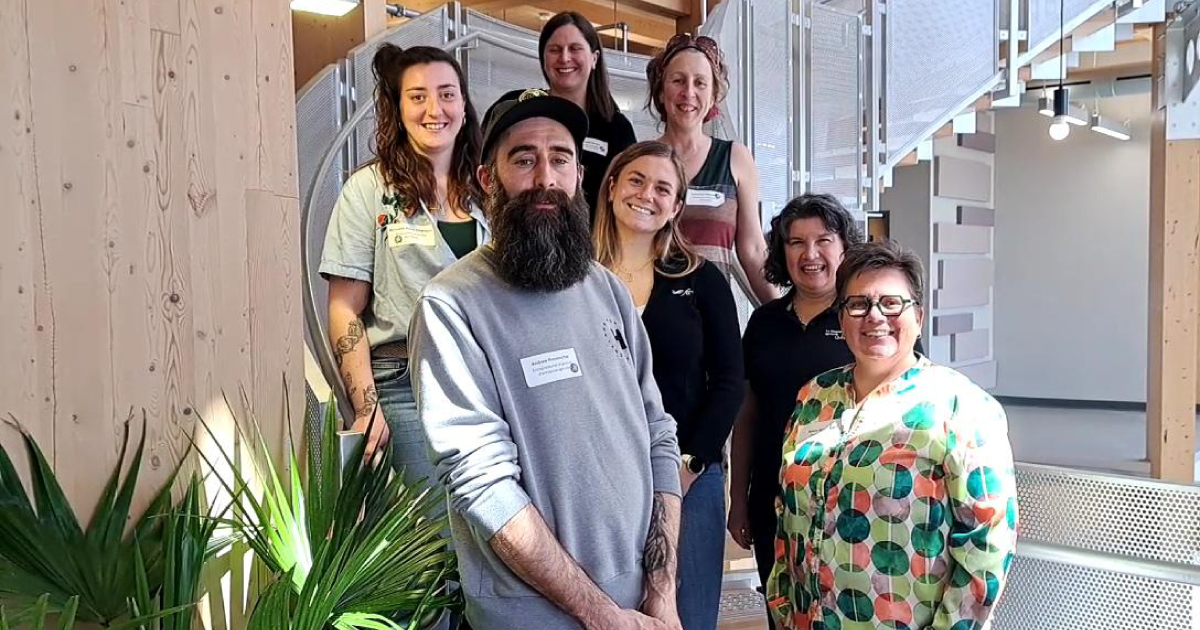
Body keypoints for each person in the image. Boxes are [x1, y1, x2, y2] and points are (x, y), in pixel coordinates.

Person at [409, 90, 683, 630]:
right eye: (524, 159)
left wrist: (661, 592)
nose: (544, 178)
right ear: (488, 180)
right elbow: (483, 483)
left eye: (559, 158)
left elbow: (658, 435)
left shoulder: (606, 290)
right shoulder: (451, 305)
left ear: (578, 175)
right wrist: (601, 615)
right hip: (533, 616)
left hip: (638, 608)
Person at [765, 240, 1018, 630]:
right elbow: (787, 513)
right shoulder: (814, 396)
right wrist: (782, 605)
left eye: (891, 303)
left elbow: (987, 543)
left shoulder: (961, 407)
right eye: (859, 304)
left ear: (918, 315)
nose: (875, 317)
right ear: (842, 316)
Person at [319, 44, 488, 483]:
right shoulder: (369, 189)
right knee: (434, 537)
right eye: (418, 96)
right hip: (404, 383)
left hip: (487, 384)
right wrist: (366, 407)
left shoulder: (489, 195)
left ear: (465, 108)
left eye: (447, 94)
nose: (435, 108)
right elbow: (344, 308)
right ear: (398, 109)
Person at [593, 141, 743, 630]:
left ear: (676, 206)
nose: (647, 195)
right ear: (612, 186)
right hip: (597, 479)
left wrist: (689, 464)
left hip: (688, 477)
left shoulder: (702, 281)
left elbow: (728, 383)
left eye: (663, 188)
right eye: (636, 180)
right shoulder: (573, 280)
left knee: (686, 617)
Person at [726, 194, 863, 616]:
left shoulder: (866, 318)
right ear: (781, 251)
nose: (811, 254)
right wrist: (739, 497)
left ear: (844, 247)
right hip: (773, 496)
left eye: (824, 240)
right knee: (782, 610)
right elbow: (748, 413)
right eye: (796, 242)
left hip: (848, 500)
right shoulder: (764, 323)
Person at [645, 34, 777, 304]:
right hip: (651, 314)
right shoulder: (641, 160)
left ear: (714, 95)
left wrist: (782, 315)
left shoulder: (735, 158)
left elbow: (752, 250)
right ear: (661, 91)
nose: (689, 93)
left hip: (714, 314)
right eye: (678, 80)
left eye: (700, 83)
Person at [486, 11, 638, 216]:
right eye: (555, 50)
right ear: (543, 58)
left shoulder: (616, 128)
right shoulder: (514, 108)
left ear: (594, 58)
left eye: (575, 49)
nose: (565, 58)